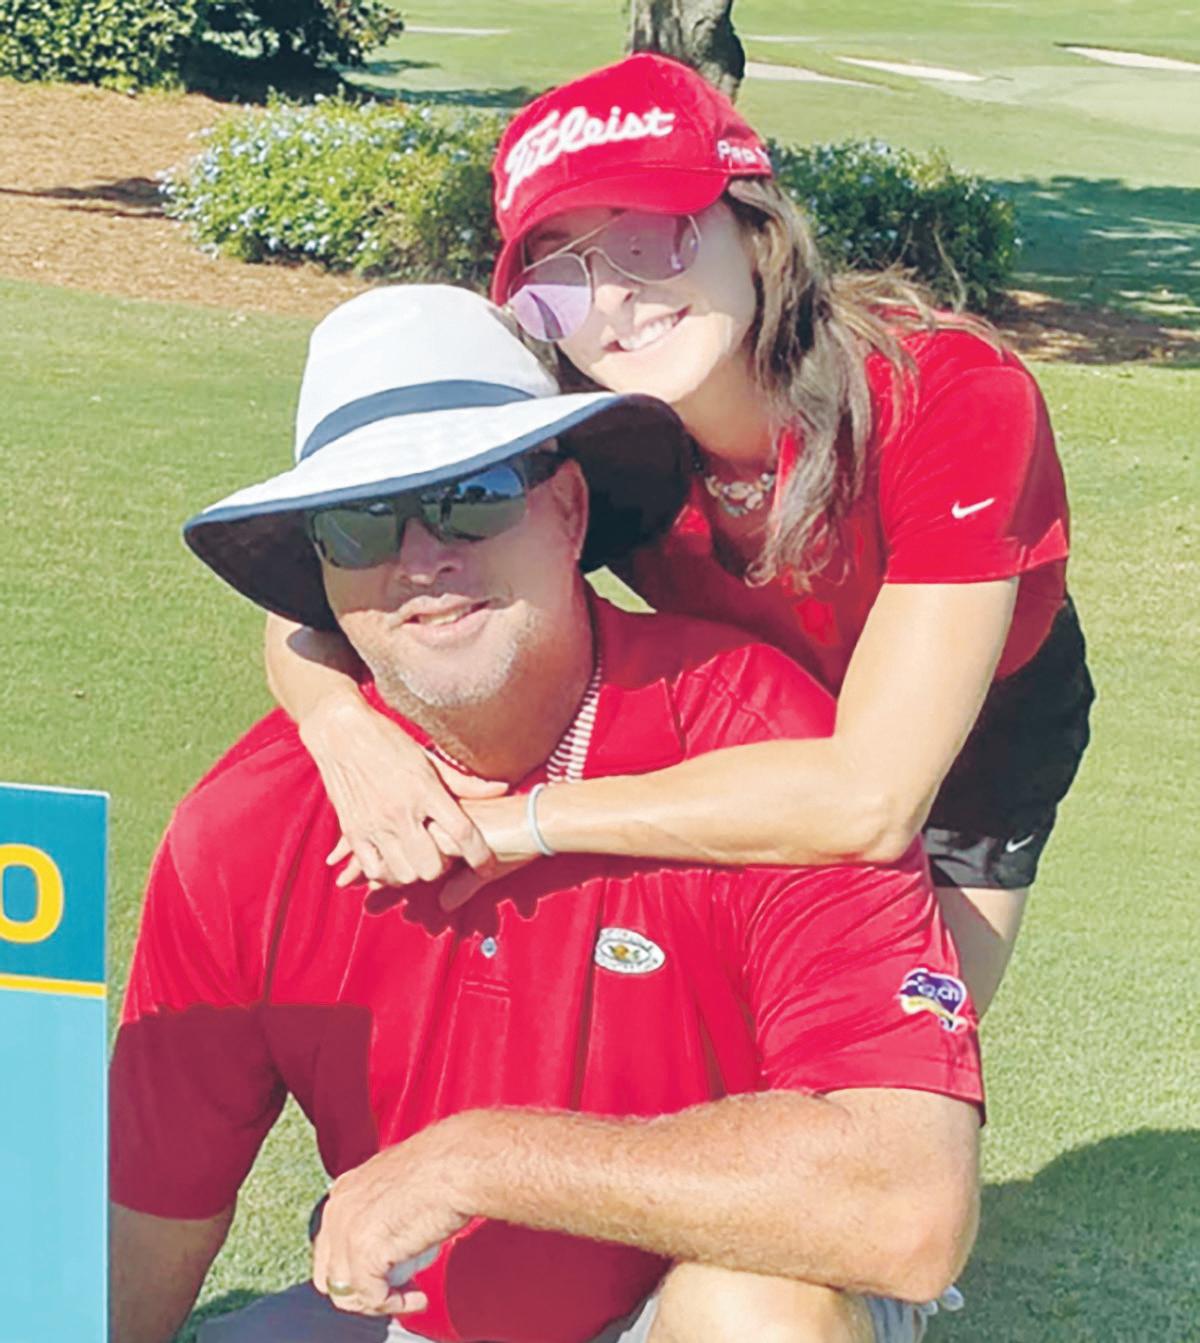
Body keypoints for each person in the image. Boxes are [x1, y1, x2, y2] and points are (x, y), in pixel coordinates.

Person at [110, 285, 983, 1343]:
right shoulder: (247, 822)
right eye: (360, 520)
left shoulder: (765, 747)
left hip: (693, 1304)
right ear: (322, 572)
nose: (421, 558)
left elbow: (907, 1205)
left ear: (568, 510)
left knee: (754, 1313)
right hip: (421, 1319)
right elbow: (149, 1214)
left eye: (471, 495)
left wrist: (477, 1157)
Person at [263, 53, 1093, 1018]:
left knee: (904, 1034)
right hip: (751, 715)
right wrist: (341, 729)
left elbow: (871, 796)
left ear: (756, 229)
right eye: (560, 273)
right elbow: (320, 583)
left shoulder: (952, 395)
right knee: (710, 1034)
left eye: (651, 238)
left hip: (979, 735)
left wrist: (530, 821)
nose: (613, 300)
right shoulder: (589, 432)